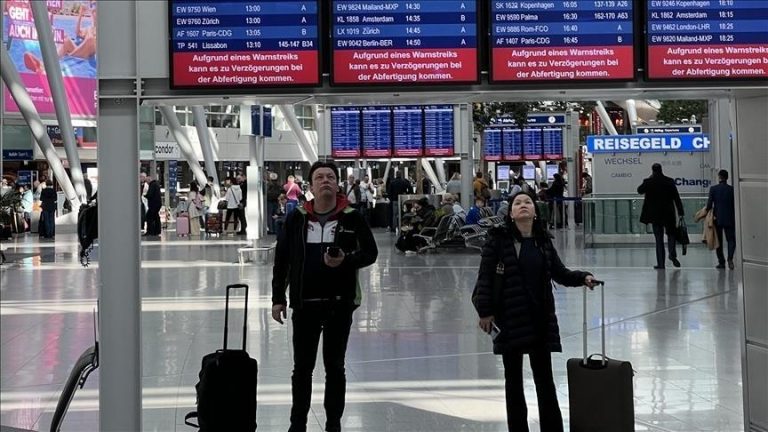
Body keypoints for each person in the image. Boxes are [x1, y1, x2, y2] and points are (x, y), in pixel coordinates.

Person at [473, 191, 599, 432]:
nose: (523, 205)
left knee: (545, 381)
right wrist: (485, 311)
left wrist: (583, 277)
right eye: (517, 203)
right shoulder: (497, 240)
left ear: (535, 211)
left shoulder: (543, 241)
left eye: (528, 202)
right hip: (509, 319)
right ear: (510, 213)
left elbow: (559, 273)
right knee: (513, 382)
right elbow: (485, 278)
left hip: (539, 319)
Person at [271, 160, 378, 432]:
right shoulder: (296, 218)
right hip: (304, 304)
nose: (325, 181)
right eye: (319, 177)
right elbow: (282, 260)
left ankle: (333, 424)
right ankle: (297, 424)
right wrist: (278, 298)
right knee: (302, 369)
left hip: (339, 304)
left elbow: (370, 253)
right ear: (310, 185)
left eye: (330, 176)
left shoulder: (352, 216)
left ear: (337, 183)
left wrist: (346, 260)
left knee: (335, 367)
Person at [638, 163, 685, 269]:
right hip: (669, 214)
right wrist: (681, 212)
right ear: (661, 169)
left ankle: (661, 264)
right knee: (671, 235)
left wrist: (649, 179)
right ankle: (672, 254)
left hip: (655, 215)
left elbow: (639, 190)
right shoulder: (669, 181)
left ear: (652, 170)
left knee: (659, 240)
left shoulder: (649, 182)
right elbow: (676, 198)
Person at [706, 169, 736, 270]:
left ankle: (721, 262)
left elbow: (709, 205)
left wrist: (706, 212)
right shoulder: (732, 190)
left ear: (719, 177)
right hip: (730, 218)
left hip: (717, 218)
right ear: (727, 178)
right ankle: (730, 258)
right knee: (731, 240)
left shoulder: (713, 189)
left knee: (718, 241)